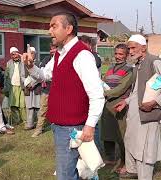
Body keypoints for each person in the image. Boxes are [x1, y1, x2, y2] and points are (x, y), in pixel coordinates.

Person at [22, 12, 104, 180]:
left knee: (66, 175)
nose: (49, 31)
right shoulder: (60, 54)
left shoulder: (82, 55)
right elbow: (44, 75)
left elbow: (97, 94)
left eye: (54, 26)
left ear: (68, 29)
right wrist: (30, 66)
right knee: (69, 171)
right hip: (60, 126)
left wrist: (90, 126)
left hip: (72, 128)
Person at [114, 34, 161, 180]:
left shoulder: (155, 62)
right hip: (135, 114)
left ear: (144, 47)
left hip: (148, 114)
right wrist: (126, 102)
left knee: (145, 150)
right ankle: (134, 172)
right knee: (131, 142)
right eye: (129, 48)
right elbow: (136, 91)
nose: (130, 51)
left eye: (133, 47)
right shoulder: (137, 64)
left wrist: (155, 103)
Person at [101, 44, 132, 171]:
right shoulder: (110, 68)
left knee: (121, 133)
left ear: (126, 55)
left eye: (121, 54)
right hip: (107, 103)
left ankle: (125, 161)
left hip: (119, 103)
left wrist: (105, 93)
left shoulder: (129, 70)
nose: (118, 56)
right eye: (116, 54)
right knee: (107, 132)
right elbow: (103, 81)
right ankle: (110, 158)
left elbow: (122, 88)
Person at [31, 43, 57, 137]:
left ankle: (57, 126)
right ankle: (39, 129)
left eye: (55, 48)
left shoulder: (61, 59)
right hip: (47, 89)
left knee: (57, 108)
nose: (53, 50)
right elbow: (41, 73)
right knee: (43, 109)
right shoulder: (46, 59)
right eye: (52, 48)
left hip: (58, 89)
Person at [3, 47, 27, 125]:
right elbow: (6, 76)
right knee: (13, 105)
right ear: (11, 55)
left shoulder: (22, 62)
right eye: (13, 54)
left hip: (21, 85)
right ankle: (17, 120)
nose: (15, 56)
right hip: (12, 86)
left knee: (22, 105)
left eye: (16, 54)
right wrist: (6, 87)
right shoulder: (8, 63)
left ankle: (25, 120)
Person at [22, 46, 41, 130]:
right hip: (28, 89)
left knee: (38, 107)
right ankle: (30, 124)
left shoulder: (39, 64)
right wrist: (27, 84)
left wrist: (33, 84)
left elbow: (40, 76)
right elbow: (22, 76)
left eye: (32, 53)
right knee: (29, 107)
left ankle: (39, 125)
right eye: (29, 53)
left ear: (35, 55)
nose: (30, 55)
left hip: (37, 88)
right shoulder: (23, 64)